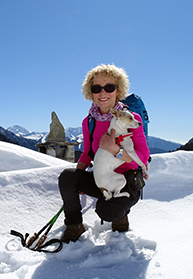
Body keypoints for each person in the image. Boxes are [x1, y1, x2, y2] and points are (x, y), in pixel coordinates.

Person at [58, 64, 150, 242]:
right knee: (68, 177)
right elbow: (87, 153)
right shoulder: (89, 121)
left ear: (118, 90)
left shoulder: (132, 119)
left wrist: (116, 150)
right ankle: (74, 225)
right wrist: (78, 179)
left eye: (109, 87)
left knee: (106, 211)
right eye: (96, 88)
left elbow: (143, 157)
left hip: (127, 183)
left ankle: (120, 214)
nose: (102, 93)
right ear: (90, 92)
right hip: (102, 178)